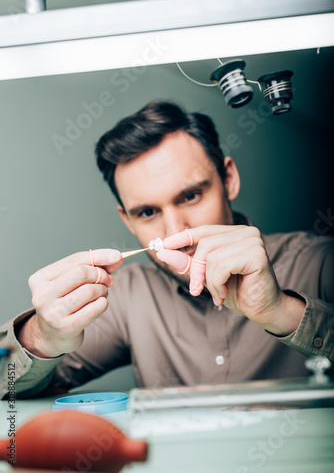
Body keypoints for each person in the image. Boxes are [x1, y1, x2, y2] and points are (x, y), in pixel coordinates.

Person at [1, 101, 333, 399]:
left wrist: (281, 311)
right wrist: (42, 336)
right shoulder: (126, 298)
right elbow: (9, 385)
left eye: (190, 196)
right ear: (128, 222)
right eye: (147, 212)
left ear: (229, 179)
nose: (176, 233)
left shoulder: (319, 263)